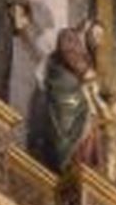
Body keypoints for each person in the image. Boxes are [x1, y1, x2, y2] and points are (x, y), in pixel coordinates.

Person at [43, 19, 108, 174]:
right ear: (88, 28)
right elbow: (67, 53)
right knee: (81, 115)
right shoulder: (68, 35)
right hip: (65, 93)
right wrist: (85, 71)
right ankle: (71, 161)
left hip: (80, 94)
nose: (98, 41)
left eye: (101, 37)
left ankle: (85, 163)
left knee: (92, 122)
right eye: (97, 34)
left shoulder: (89, 55)